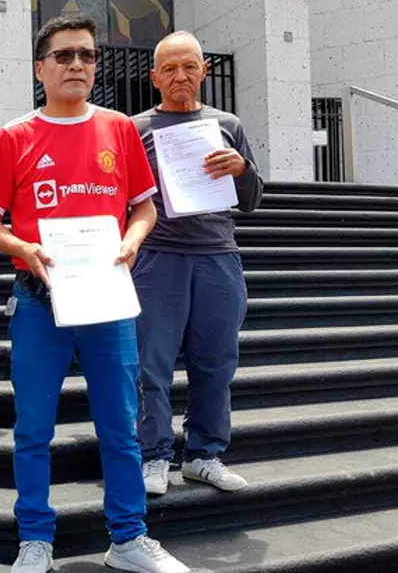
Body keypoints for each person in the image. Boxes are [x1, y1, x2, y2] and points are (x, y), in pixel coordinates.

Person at [0, 16, 190, 573]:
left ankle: (129, 537)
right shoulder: (16, 136)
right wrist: (24, 248)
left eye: (87, 56)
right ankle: (35, 539)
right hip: (37, 300)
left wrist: (133, 239)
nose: (77, 65)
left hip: (107, 300)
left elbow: (143, 208)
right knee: (33, 429)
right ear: (40, 67)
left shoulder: (119, 129)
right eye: (64, 55)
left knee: (120, 427)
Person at [132, 31, 263, 497]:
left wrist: (242, 169)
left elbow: (252, 199)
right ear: (154, 77)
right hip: (158, 258)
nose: (180, 76)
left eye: (189, 66)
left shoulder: (227, 125)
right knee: (151, 365)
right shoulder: (135, 129)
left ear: (204, 71)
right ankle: (153, 455)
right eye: (169, 68)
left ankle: (204, 454)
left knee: (216, 362)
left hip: (217, 255)